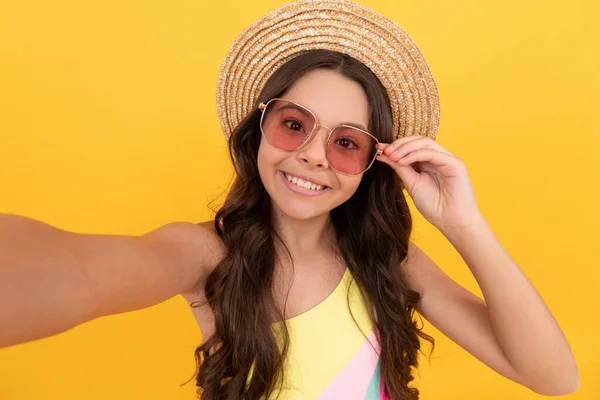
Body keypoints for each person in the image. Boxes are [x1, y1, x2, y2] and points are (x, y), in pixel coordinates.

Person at [0, 1, 578, 399]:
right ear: (260, 130)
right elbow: (78, 271)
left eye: (346, 142)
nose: (316, 156)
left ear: (374, 162)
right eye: (295, 125)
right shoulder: (206, 254)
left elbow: (553, 377)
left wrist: (465, 223)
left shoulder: (389, 262)